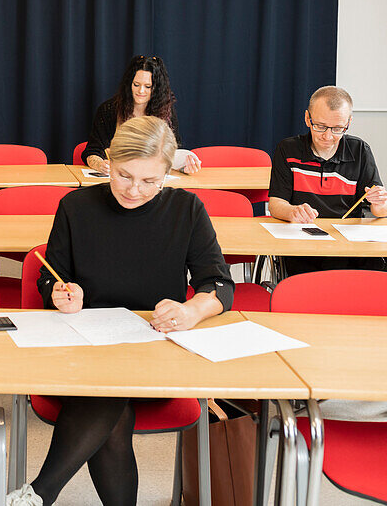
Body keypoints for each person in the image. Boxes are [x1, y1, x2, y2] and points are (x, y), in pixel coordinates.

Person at [21, 116, 233, 505]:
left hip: (154, 352)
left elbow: (219, 285)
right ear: (107, 163)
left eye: (150, 181)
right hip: (84, 348)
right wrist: (60, 293)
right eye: (124, 175)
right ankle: (38, 496)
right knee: (110, 403)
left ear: (168, 173)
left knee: (108, 397)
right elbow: (50, 277)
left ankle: (37, 495)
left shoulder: (186, 209)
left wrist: (193, 311)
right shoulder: (76, 206)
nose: (134, 190)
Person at [268, 85, 387, 275]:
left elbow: (381, 210)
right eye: (320, 126)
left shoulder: (360, 150)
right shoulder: (288, 150)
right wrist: (293, 212)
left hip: (350, 248)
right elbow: (276, 203)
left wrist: (381, 202)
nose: (327, 136)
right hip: (302, 247)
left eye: (337, 129)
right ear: (307, 118)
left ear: (348, 122)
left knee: (380, 283)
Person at [82, 55, 201, 175]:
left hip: (153, 180)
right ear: (129, 84)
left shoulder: (166, 112)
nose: (141, 91)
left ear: (157, 88)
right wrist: (100, 165)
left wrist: (184, 167)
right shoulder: (109, 110)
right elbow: (92, 151)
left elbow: (173, 154)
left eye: (148, 86)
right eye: (136, 85)